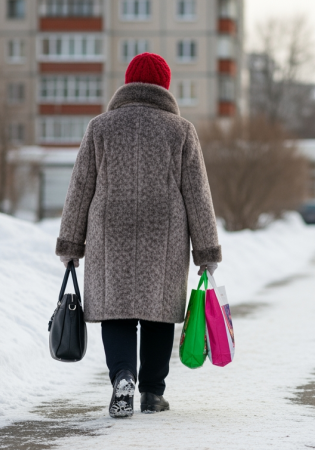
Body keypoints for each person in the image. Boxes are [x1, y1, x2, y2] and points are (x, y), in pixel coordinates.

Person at [55, 53, 221, 418]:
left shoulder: (100, 126)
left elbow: (80, 187)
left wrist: (70, 243)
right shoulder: (181, 130)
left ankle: (122, 377)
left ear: (128, 83)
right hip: (164, 234)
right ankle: (151, 393)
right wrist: (207, 251)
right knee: (157, 313)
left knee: (117, 311)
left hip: (108, 231)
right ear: (165, 86)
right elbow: (197, 193)